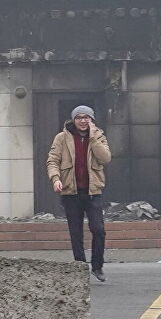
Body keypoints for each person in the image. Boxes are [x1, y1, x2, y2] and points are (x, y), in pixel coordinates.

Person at [46, 105, 111, 282]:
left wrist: (93, 139)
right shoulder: (62, 138)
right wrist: (56, 178)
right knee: (76, 233)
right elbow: (53, 160)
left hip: (93, 192)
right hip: (70, 193)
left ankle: (97, 266)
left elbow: (105, 158)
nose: (83, 120)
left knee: (98, 229)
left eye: (86, 117)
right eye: (79, 117)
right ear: (73, 120)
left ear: (92, 120)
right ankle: (80, 268)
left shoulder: (98, 136)